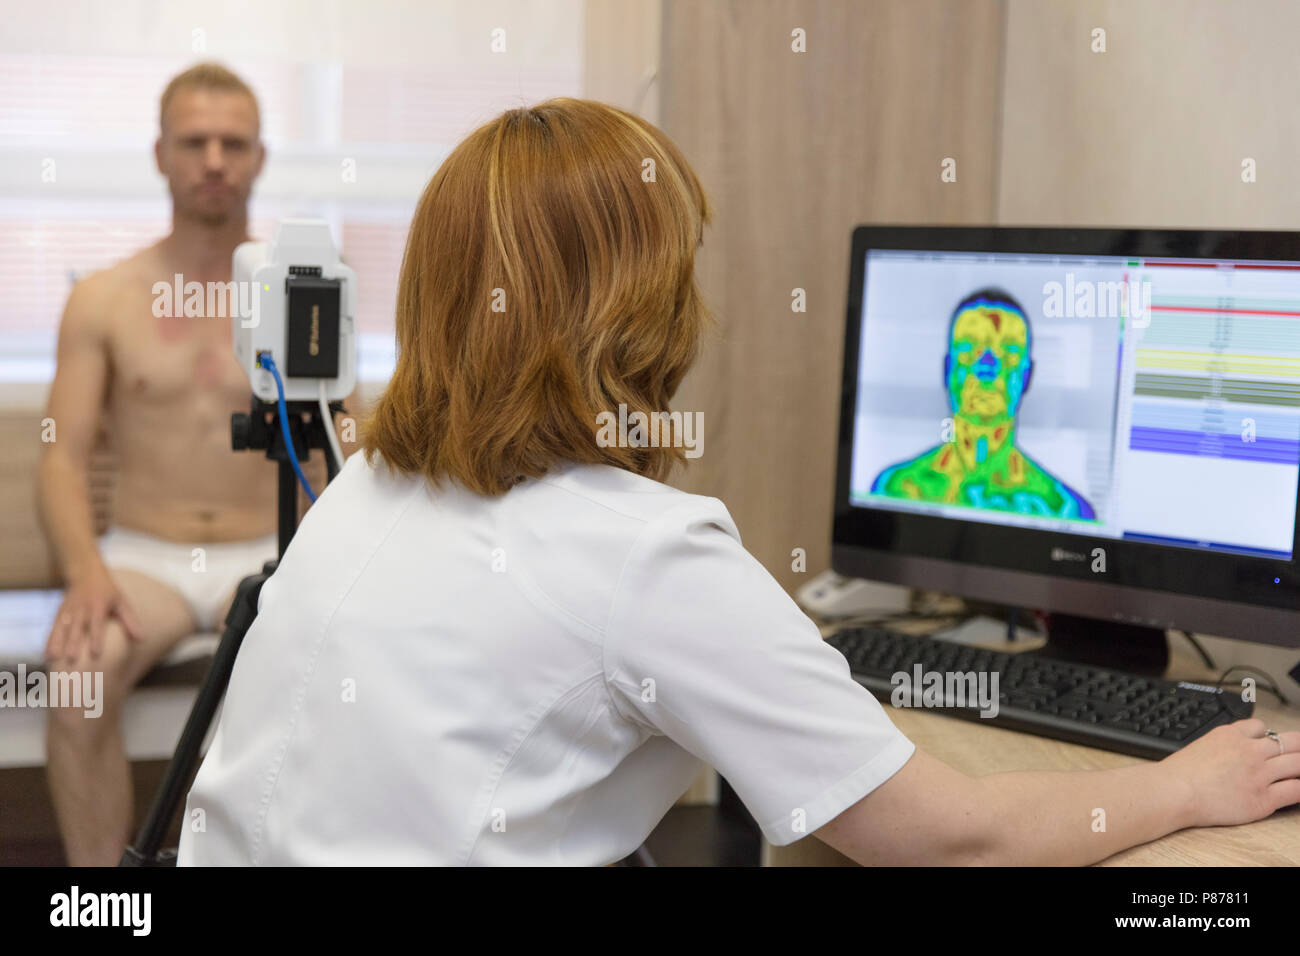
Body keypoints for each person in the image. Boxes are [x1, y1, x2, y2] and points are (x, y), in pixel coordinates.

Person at [178, 98, 1299, 866]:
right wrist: (1186, 787)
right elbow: (947, 836)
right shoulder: (643, 555)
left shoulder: (363, 487)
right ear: (639, 308)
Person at [38, 62, 325, 866]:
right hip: (146, 560)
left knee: (350, 687)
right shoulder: (104, 297)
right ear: (159, 153)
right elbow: (62, 456)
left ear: (260, 158)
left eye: (233, 142)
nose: (213, 159)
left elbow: (337, 452)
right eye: (193, 141)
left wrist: (329, 573)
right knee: (77, 684)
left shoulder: (304, 291)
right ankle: (104, 900)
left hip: (270, 556)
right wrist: (86, 572)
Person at [871, 288, 1096, 520]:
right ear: (948, 370)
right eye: (968, 349)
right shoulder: (896, 488)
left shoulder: (1065, 510)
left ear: (1027, 376)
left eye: (1009, 353)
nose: (987, 366)